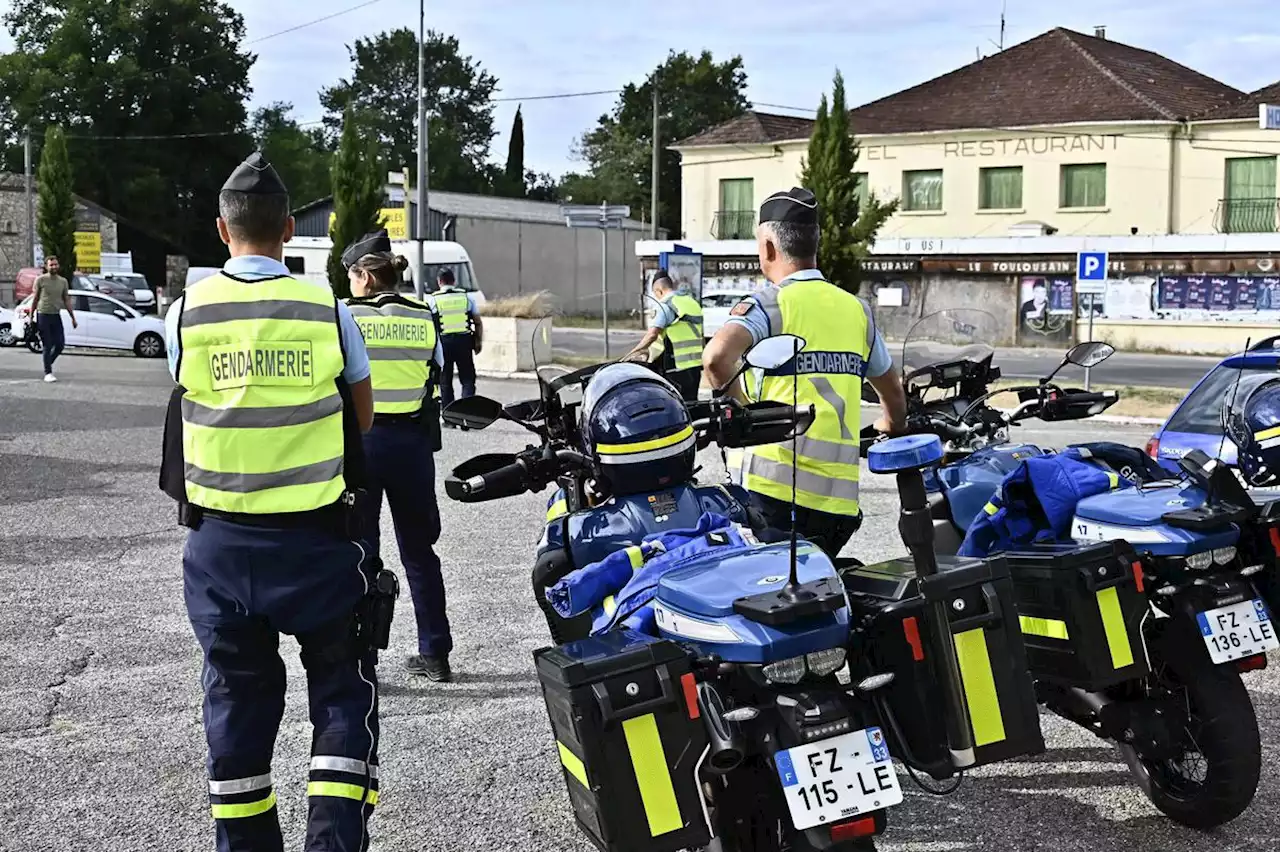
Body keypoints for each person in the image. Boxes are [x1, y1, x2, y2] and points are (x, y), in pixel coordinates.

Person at [160, 152, 387, 852]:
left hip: (221, 549)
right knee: (343, 699)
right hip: (318, 545)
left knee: (235, 710)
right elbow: (364, 416)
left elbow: (189, 402)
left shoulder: (185, 315)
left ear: (223, 233)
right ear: (289, 229)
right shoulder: (327, 309)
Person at [702, 186, 907, 557]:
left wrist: (745, 416)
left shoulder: (770, 304)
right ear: (817, 242)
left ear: (767, 247)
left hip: (774, 497)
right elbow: (892, 394)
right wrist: (890, 426)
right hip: (838, 507)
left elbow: (716, 358)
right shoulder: (856, 310)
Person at [342, 230, 454, 682]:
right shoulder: (424, 315)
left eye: (351, 275)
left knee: (361, 551)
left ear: (365, 277)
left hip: (361, 444)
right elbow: (438, 371)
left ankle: (362, 658)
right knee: (420, 552)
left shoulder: (346, 316)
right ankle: (435, 653)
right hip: (411, 446)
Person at [623, 269, 704, 400]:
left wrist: (633, 353)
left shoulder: (666, 306)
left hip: (675, 367)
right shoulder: (690, 303)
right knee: (692, 404)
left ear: (659, 291)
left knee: (676, 405)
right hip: (694, 365)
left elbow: (652, 335)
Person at [431, 268, 482, 415]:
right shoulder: (466, 298)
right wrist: (478, 342)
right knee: (467, 379)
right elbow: (477, 322)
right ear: (454, 281)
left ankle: (450, 417)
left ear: (439, 282)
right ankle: (467, 414)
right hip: (464, 342)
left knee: (445, 381)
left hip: (444, 344)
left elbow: (431, 325)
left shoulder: (433, 300)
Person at [30, 255, 77, 382]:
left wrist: (73, 317)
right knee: (47, 344)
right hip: (43, 314)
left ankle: (47, 362)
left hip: (56, 315)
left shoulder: (63, 281)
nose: (54, 267)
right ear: (46, 266)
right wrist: (31, 316)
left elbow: (66, 299)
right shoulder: (40, 280)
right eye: (51, 265)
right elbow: (35, 299)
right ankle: (48, 373)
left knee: (60, 344)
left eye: (56, 264)